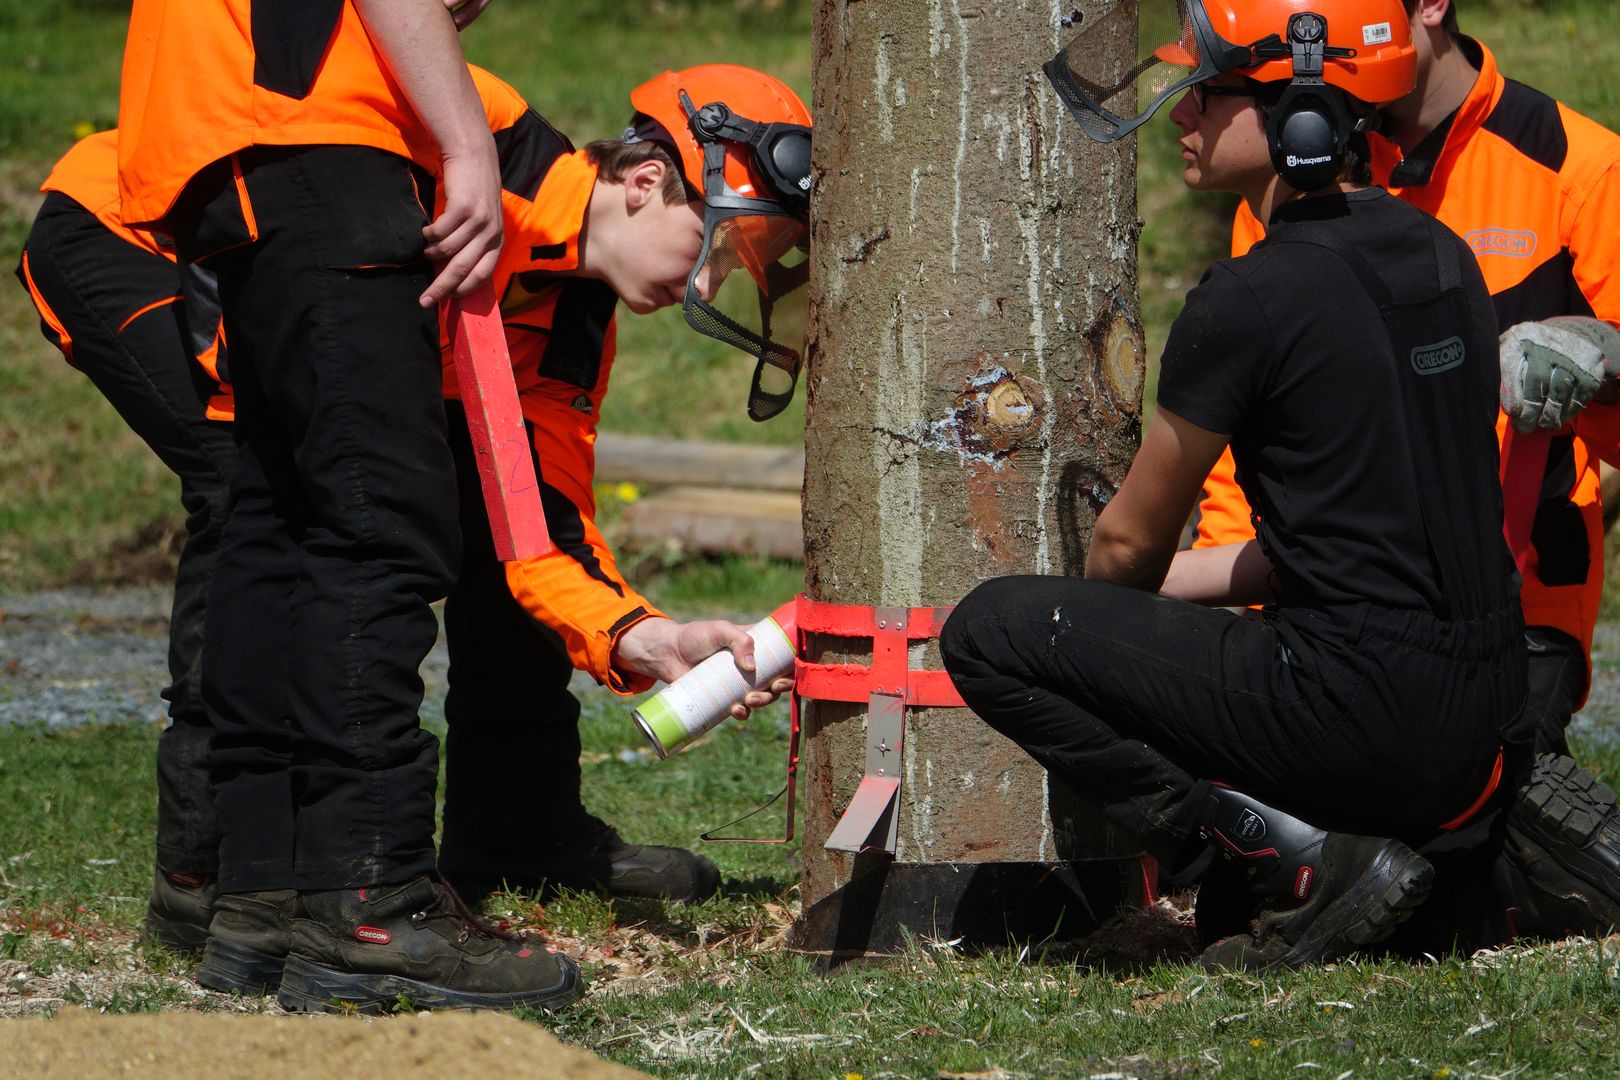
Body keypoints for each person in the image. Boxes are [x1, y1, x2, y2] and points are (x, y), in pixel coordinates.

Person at [942, 0, 1619, 971]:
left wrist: (1108, 617)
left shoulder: (1250, 295)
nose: (1180, 113)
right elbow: (1365, 522)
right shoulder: (1449, 258)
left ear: (1300, 116)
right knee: (1302, 905)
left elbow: (1127, 548)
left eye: (1206, 93)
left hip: (1362, 701)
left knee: (994, 632)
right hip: (1486, 705)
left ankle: (1305, 859)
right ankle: (1481, 851)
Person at [116, 0, 579, 1013]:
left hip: (238, 151)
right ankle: (372, 903)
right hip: (322, 144)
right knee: (381, 526)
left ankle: (266, 891)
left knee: (279, 524)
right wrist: (467, 145)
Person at [1197, 0, 1620, 762]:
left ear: (1428, 5)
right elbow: (1249, 436)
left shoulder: (1577, 170)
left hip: (1518, 605)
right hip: (1329, 606)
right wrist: (1239, 604)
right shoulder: (1299, 171)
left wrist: (1602, 355)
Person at [15, 130, 232, 955]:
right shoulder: (489, 147)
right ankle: (195, 870)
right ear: (643, 183)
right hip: (115, 227)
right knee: (236, 480)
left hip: (233, 250)